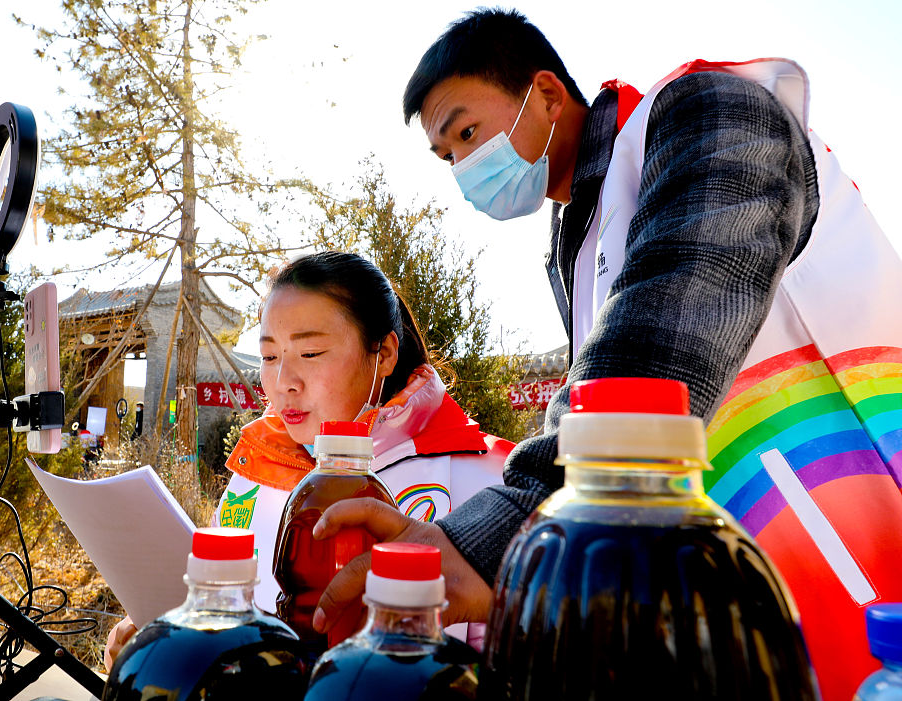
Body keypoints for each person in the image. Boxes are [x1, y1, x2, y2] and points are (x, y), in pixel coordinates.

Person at [313, 8, 902, 700]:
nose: (466, 170)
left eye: (467, 133)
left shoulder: (708, 111)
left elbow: (649, 353)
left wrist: (511, 523)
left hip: (859, 561)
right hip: (740, 599)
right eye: (448, 159)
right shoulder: (580, 239)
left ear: (548, 94)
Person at [104, 250, 512, 668]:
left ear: (384, 353)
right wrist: (164, 631)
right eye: (269, 357)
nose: (283, 383)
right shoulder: (257, 468)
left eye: (311, 353)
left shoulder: (494, 483)